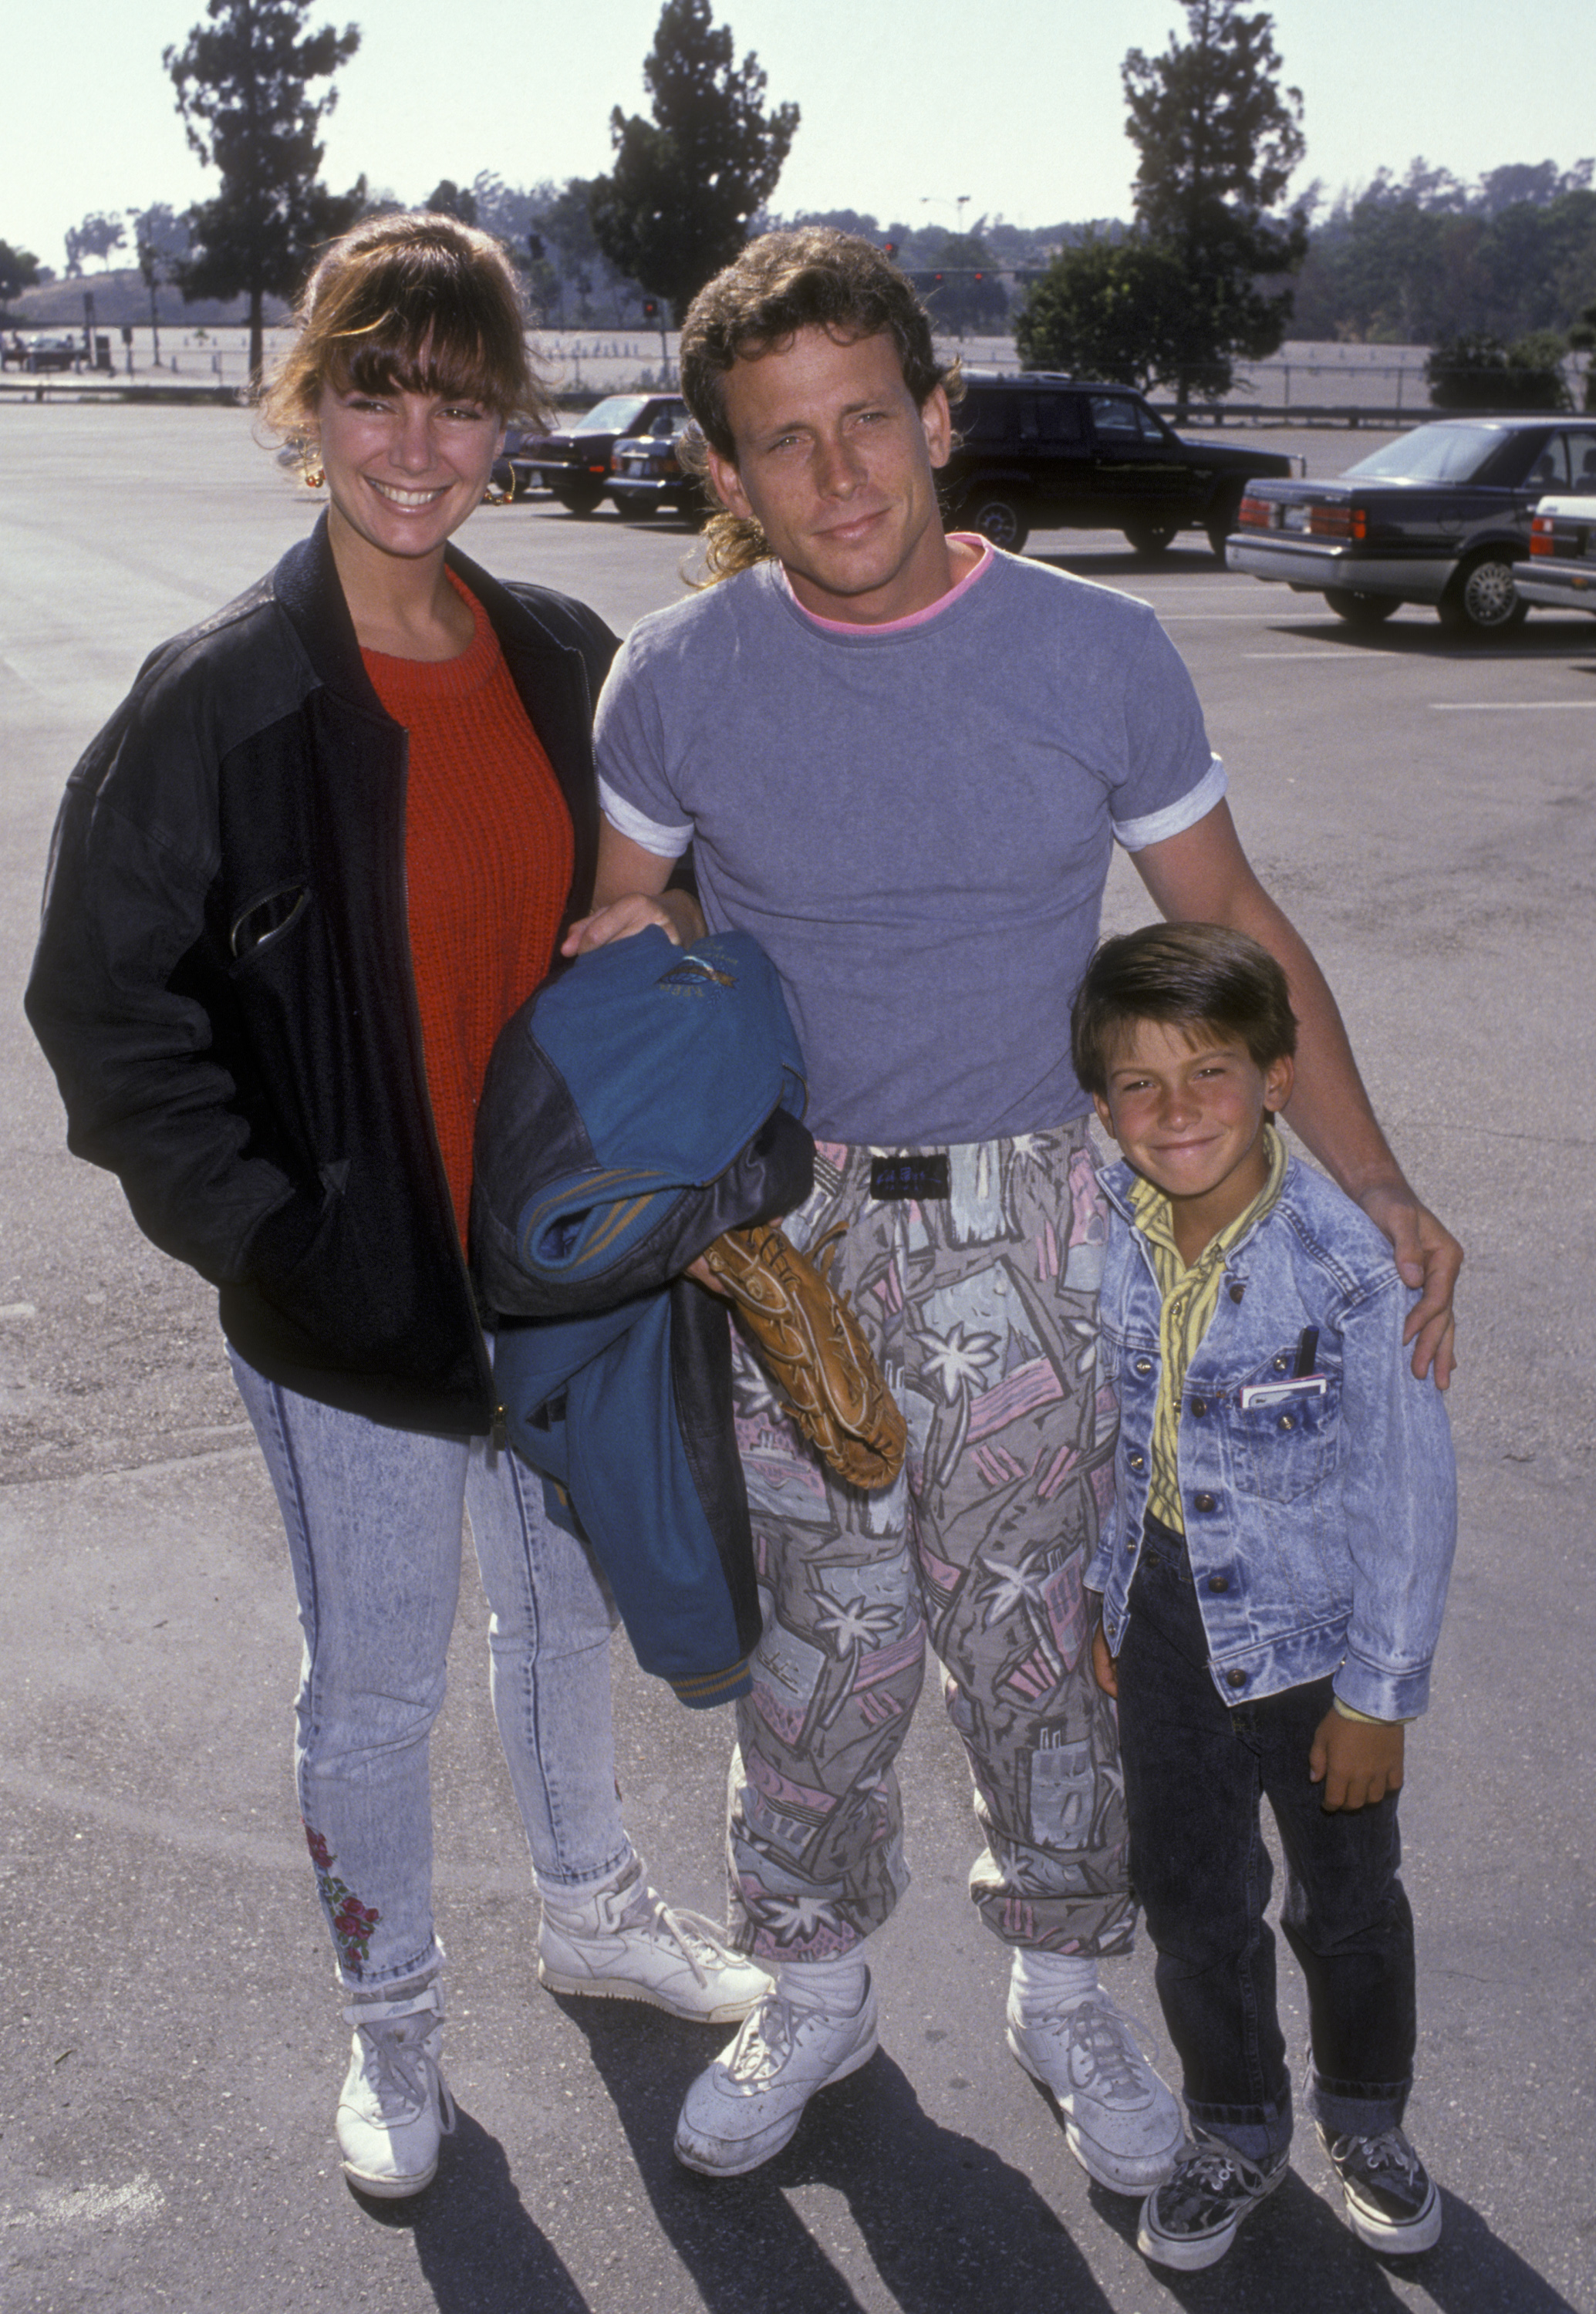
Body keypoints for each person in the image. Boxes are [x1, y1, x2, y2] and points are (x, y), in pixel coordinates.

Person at [565, 227, 1462, 2191]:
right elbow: (629, 942)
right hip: (796, 1240)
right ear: (724, 471)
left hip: (1054, 1222)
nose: (840, 479)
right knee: (820, 1646)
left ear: (936, 413)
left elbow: (1225, 926)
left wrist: (1370, 1175)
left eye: (868, 422)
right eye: (782, 445)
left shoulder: (1092, 651)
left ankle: (1066, 1985)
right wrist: (664, 979)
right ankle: (812, 1979)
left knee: (1044, 1644)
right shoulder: (678, 678)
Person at [23, 211, 767, 2204]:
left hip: (563, 1280)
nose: (416, 441)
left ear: (504, 418)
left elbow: (665, 895)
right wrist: (280, 1234)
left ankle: (591, 1903)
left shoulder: (557, 659)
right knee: (374, 1683)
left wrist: (671, 939)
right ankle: (396, 2029)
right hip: (353, 1303)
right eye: (375, 389)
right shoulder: (219, 703)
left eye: (457, 398)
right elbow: (99, 1007)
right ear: (310, 403)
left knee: (562, 1618)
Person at [1072, 923, 1456, 2268]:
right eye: (1135, 1084)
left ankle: (1365, 2119)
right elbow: (1108, 1434)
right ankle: (1233, 2125)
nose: (1174, 1113)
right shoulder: (1107, 1228)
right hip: (1167, 1619)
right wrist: (1107, 1600)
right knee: (1190, 1898)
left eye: (1210, 1074)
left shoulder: (1352, 1267)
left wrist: (1376, 1694)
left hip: (1314, 1642)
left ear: (1278, 1079)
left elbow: (1407, 1499)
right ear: (1102, 1103)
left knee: (1346, 1903)